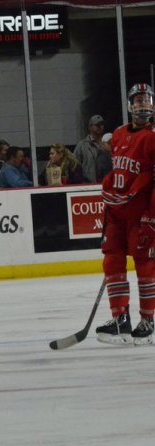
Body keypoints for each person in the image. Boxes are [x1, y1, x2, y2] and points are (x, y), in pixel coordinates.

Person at [96, 83, 155, 345]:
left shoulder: (153, 136)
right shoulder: (119, 134)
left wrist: (152, 217)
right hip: (117, 214)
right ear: (130, 104)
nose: (142, 104)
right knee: (111, 261)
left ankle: (147, 319)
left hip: (142, 213)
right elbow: (118, 171)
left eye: (147, 100)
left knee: (145, 263)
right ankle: (120, 318)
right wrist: (108, 193)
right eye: (138, 100)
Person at [74, 114, 107, 183]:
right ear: (90, 127)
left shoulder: (108, 143)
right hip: (88, 185)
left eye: (102, 124)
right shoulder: (82, 145)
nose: (100, 127)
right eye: (97, 125)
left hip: (106, 184)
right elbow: (75, 166)